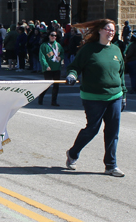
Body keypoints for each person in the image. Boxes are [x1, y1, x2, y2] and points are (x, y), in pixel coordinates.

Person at [65, 19, 126, 177]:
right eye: (107, 29)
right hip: (93, 97)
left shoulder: (116, 50)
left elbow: (121, 75)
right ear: (99, 30)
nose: (110, 32)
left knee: (113, 132)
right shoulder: (88, 50)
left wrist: (123, 94)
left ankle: (111, 165)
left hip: (115, 96)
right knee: (92, 129)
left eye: (113, 30)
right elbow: (74, 67)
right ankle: (73, 153)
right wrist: (72, 75)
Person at [38, 31, 64, 106]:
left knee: (56, 85)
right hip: (48, 69)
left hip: (57, 68)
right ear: (49, 36)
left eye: (55, 36)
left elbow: (62, 53)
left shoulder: (58, 45)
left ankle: (54, 101)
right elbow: (42, 57)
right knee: (47, 85)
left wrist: (61, 57)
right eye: (52, 35)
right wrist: (46, 66)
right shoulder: (44, 46)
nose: (53, 37)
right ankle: (41, 98)